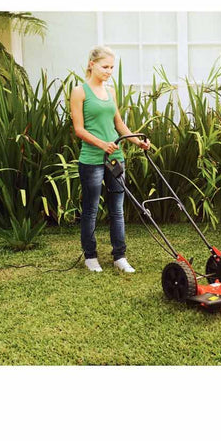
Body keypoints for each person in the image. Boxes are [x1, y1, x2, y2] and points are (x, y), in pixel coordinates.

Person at [70, 46, 150, 273]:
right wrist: (102, 144)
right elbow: (79, 129)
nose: (109, 71)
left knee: (117, 209)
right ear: (91, 64)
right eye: (105, 66)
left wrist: (137, 141)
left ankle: (119, 256)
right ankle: (90, 256)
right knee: (91, 210)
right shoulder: (80, 92)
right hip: (92, 159)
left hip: (115, 157)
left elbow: (118, 124)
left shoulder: (111, 92)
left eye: (112, 67)